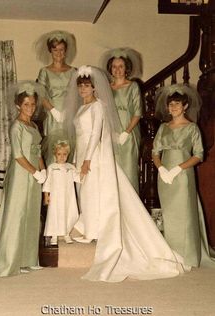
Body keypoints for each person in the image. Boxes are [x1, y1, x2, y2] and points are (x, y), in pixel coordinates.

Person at [64, 65, 190, 282]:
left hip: (95, 155)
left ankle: (95, 229)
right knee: (85, 191)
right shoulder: (81, 108)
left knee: (94, 191)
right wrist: (78, 156)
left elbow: (95, 134)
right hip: (82, 152)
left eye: (87, 86)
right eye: (80, 87)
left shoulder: (98, 106)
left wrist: (87, 160)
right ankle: (89, 225)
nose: (83, 90)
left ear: (94, 87)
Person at [0, 82, 46, 277]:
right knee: (17, 215)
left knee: (32, 215)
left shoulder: (33, 125)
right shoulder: (16, 127)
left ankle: (28, 259)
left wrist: (44, 170)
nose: (30, 108)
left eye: (33, 104)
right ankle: (10, 261)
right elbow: (18, 156)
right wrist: (35, 171)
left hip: (34, 175)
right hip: (20, 174)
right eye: (26, 104)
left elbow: (38, 150)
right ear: (18, 105)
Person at [152, 84, 215, 268]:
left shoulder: (192, 128)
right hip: (164, 176)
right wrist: (162, 169)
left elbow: (199, 155)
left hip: (183, 175)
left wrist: (178, 169)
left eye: (177, 104)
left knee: (184, 213)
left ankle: (186, 256)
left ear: (185, 106)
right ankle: (171, 253)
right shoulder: (163, 127)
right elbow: (155, 151)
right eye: (171, 104)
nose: (173, 108)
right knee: (169, 214)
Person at [100, 47, 143, 192]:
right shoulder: (106, 88)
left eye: (121, 66)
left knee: (128, 171)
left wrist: (126, 132)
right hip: (111, 134)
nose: (117, 70)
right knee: (112, 172)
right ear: (110, 69)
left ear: (126, 69)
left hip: (128, 134)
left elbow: (137, 112)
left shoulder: (133, 86)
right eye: (114, 66)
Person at [34, 30, 77, 166]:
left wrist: (68, 111)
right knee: (54, 152)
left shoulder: (73, 71)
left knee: (68, 151)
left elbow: (77, 94)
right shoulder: (45, 72)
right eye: (55, 50)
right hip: (53, 116)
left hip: (69, 115)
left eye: (62, 50)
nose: (59, 53)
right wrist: (53, 111)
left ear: (65, 51)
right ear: (50, 51)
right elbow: (41, 94)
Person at [43, 141, 81, 245]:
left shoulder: (70, 167)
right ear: (55, 154)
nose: (62, 157)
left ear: (68, 155)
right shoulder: (51, 167)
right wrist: (46, 195)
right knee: (54, 213)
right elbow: (47, 182)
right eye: (59, 154)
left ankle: (66, 234)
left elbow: (78, 178)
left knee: (69, 213)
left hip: (68, 196)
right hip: (56, 196)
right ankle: (54, 235)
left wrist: (84, 172)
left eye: (64, 154)